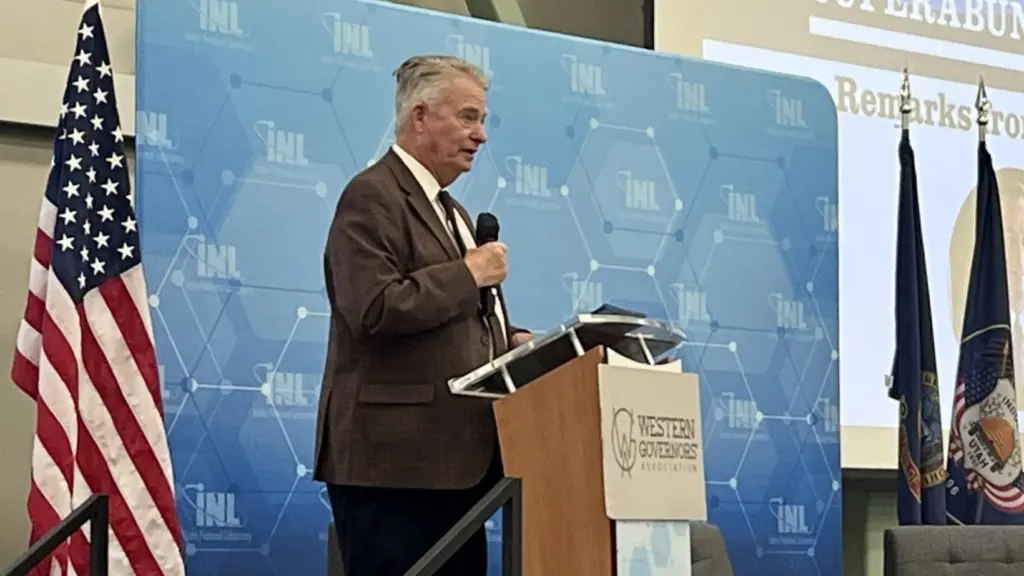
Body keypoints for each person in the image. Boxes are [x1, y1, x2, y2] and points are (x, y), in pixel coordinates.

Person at [312, 55, 533, 576]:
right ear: (419, 117)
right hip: (394, 466)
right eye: (468, 117)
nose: (480, 135)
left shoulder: (452, 211)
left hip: (458, 467)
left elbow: (458, 322)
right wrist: (469, 272)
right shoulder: (372, 195)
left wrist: (515, 342)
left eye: (483, 120)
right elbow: (372, 308)